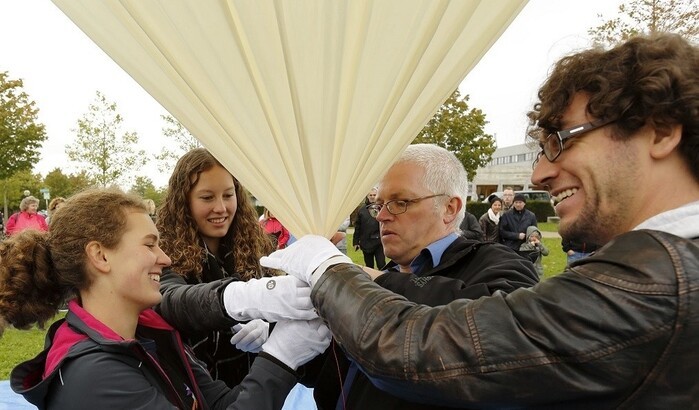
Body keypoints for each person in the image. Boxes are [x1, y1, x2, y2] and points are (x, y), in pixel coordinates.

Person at [259, 34, 699, 408]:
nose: (540, 174)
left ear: (660, 131)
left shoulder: (656, 281)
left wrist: (329, 269)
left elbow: (417, 350)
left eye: (560, 141)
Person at [1, 188, 330, 409]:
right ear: (100, 256)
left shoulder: (149, 332)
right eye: (149, 244)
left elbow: (222, 405)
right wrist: (281, 357)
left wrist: (277, 352)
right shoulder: (95, 376)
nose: (165, 258)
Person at [310, 144, 539, 410]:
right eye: (379, 205)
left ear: (450, 208)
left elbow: (505, 333)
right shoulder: (389, 274)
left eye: (399, 203)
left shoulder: (500, 265)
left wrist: (376, 284)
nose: (382, 216)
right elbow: (340, 373)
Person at [155, 148, 318, 388]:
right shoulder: (162, 255)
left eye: (228, 195)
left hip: (257, 387)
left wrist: (271, 328)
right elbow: (171, 300)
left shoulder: (257, 246)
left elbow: (286, 316)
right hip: (199, 391)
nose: (221, 208)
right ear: (184, 201)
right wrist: (240, 299)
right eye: (207, 197)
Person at [352, 188, 385, 269]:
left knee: (381, 265)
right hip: (366, 242)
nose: (372, 197)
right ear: (367, 196)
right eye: (371, 195)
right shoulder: (362, 210)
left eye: (374, 195)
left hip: (379, 242)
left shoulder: (382, 208)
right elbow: (357, 227)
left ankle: (384, 277)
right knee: (369, 266)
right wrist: (356, 242)